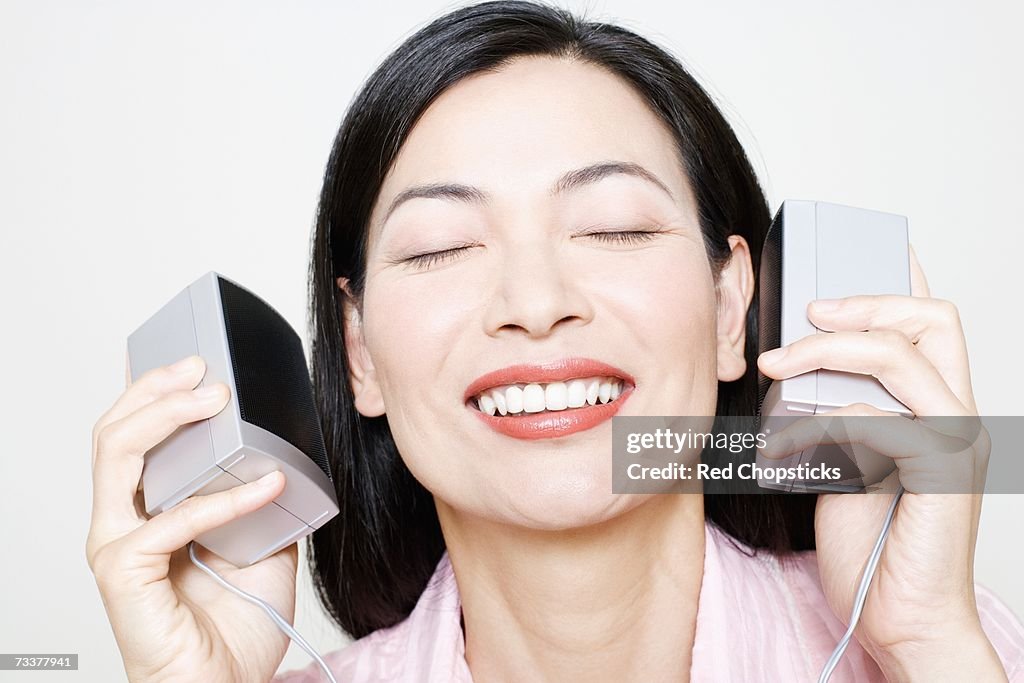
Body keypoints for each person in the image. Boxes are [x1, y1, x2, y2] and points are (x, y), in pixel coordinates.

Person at [87, 1, 1024, 680]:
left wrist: (924, 643)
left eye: (613, 226)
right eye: (443, 245)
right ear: (360, 350)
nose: (534, 303)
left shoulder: (950, 649)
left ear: (733, 304)